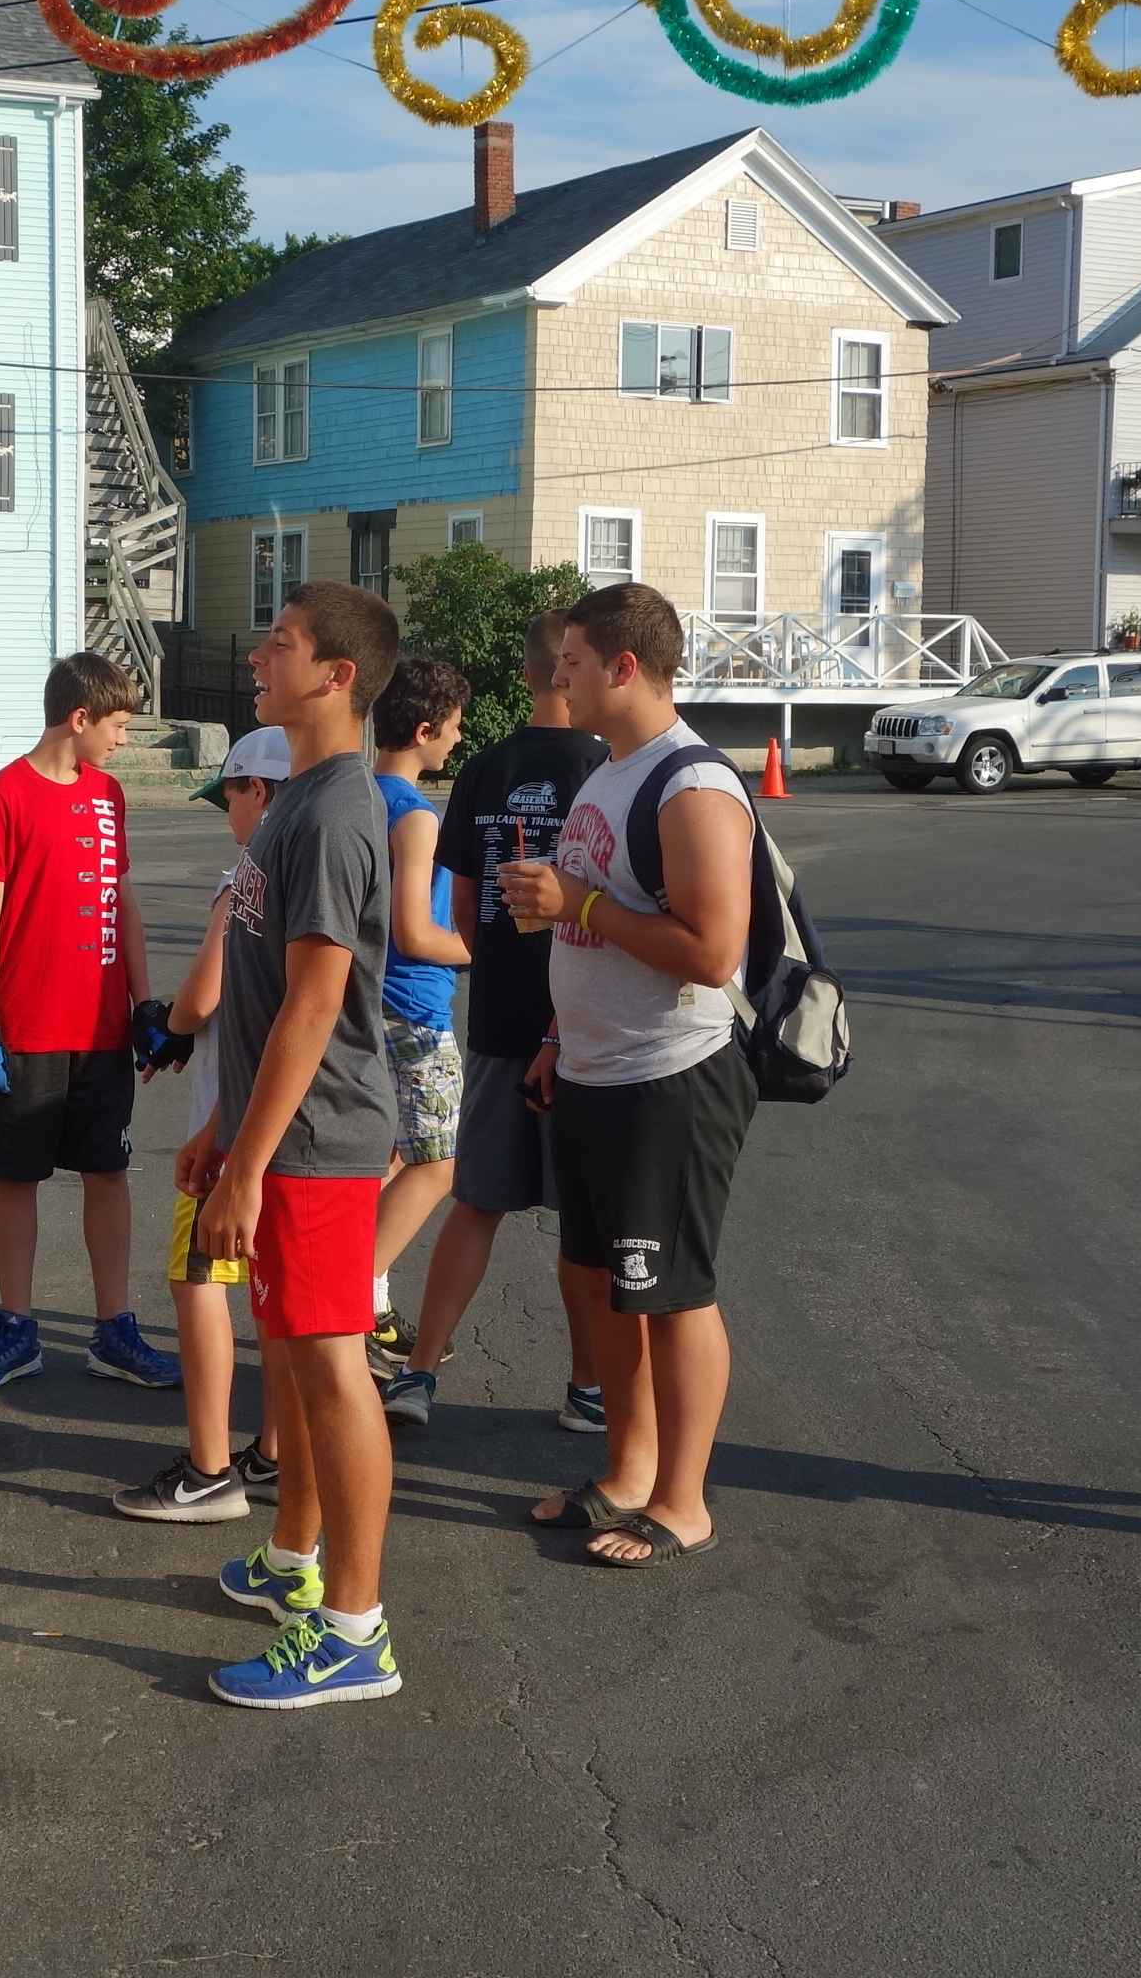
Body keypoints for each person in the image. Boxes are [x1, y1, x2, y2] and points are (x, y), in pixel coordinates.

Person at [496, 583, 755, 1569]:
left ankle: (683, 1502)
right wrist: (557, 1033)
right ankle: (627, 1473)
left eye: (571, 661)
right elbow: (590, 916)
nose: (556, 676)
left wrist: (580, 907)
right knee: (605, 1282)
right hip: (594, 1069)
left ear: (624, 666)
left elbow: (713, 952)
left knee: (672, 1291)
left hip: (670, 1075)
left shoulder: (692, 784)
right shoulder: (608, 771)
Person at [187, 580, 404, 1708]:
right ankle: (292, 1560)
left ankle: (355, 1632)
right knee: (296, 1360)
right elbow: (268, 995)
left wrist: (247, 1166)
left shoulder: (332, 814)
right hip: (282, 1137)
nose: (260, 656)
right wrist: (222, 1126)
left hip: (317, 1144)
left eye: (281, 642)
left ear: (337, 676)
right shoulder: (297, 797)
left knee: (330, 1367)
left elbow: (317, 1008)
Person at [391, 611, 605, 1431]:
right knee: (586, 1225)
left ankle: (419, 1374)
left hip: (496, 1019)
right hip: (580, 1025)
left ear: (525, 676)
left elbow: (463, 909)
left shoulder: (482, 766)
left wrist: (498, 968)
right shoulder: (604, 767)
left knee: (475, 1202)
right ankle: (586, 1388)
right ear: (572, 671)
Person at [0, 654, 180, 1392]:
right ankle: (16, 1332)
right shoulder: (2, 796)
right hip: (25, 1031)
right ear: (79, 718)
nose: (123, 739)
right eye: (118, 725)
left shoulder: (109, 795)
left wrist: (144, 1003)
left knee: (106, 1172)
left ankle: (114, 1333)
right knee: (15, 1177)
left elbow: (123, 905)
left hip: (102, 1032)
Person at [113, 726, 292, 1522]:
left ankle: (209, 1470)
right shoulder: (324, 863)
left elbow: (203, 994)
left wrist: (171, 1025)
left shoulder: (246, 876)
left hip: (234, 1118)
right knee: (275, 1294)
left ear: (257, 790)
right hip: (296, 1118)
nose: (227, 813)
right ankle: (273, 1455)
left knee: (198, 1279)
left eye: (229, 796)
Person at [365, 657, 474, 1423]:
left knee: (393, 1158)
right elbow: (413, 931)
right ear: (426, 728)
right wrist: (487, 947)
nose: (458, 740)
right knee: (438, 1165)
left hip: (365, 1004)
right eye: (455, 727)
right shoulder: (414, 813)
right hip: (415, 1007)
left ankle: (365, 1295)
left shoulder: (353, 795)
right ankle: (352, 1296)